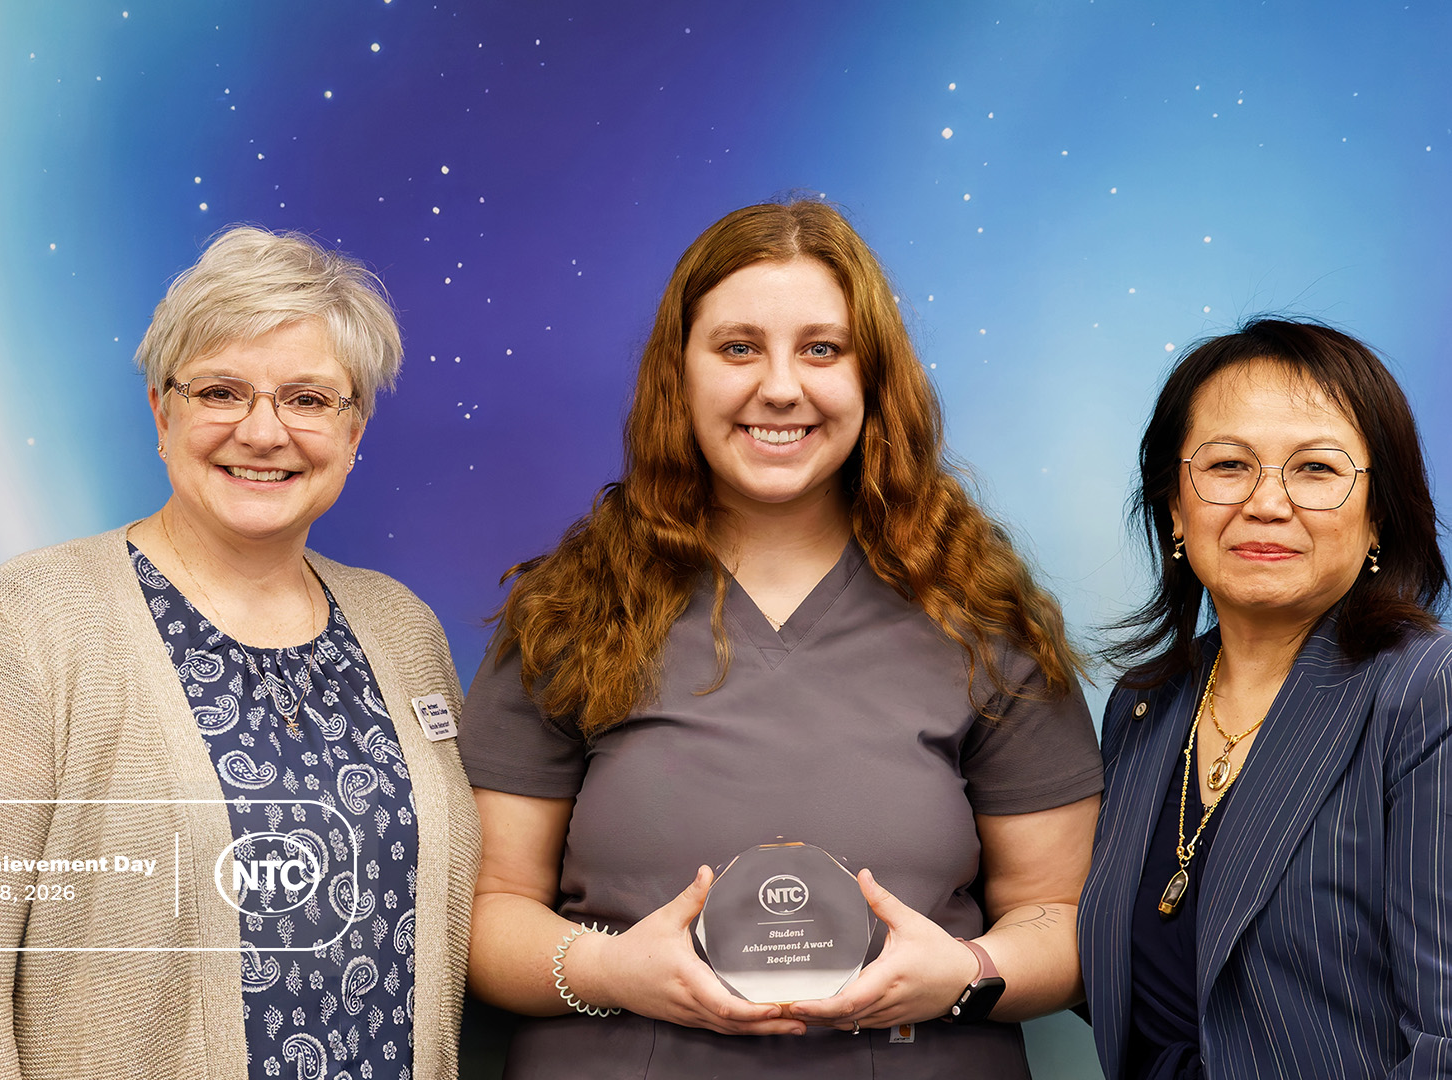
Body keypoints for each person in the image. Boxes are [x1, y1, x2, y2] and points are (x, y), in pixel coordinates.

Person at [457, 200, 1104, 1078]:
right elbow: (485, 913)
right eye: (738, 348)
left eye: (822, 349)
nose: (781, 387)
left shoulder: (980, 614)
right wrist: (614, 971)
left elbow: (1062, 917)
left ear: (874, 378)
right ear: (676, 374)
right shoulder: (570, 609)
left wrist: (966, 975)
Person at [0, 227, 480, 1080]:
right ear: (163, 413)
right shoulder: (33, 619)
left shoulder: (402, 629)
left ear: (355, 431)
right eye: (222, 392)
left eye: (309, 399)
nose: (264, 431)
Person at [1077, 319, 1452, 1079]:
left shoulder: (1448, 698)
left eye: (1314, 469)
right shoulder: (1145, 706)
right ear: (1175, 506)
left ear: (1379, 515)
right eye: (1229, 465)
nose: (1267, 503)